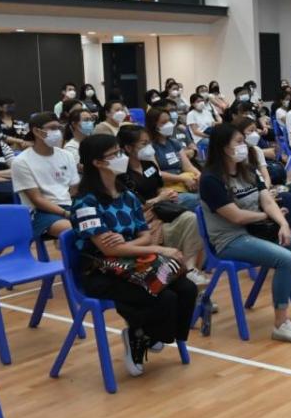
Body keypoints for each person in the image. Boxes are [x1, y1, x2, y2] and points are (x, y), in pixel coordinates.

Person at [71, 134, 198, 377]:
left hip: (135, 262)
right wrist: (157, 249)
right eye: (114, 154)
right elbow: (109, 250)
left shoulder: (127, 195)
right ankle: (137, 335)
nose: (121, 158)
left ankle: (150, 335)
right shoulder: (85, 203)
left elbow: (145, 235)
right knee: (163, 296)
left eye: (120, 152)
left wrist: (129, 244)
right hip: (101, 271)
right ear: (97, 162)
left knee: (187, 289)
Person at [199, 123, 291, 344]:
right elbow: (236, 217)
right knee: (285, 259)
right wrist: (266, 216)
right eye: (239, 142)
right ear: (223, 147)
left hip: (258, 231)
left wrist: (283, 224)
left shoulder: (247, 169)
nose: (244, 146)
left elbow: (267, 200)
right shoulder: (210, 180)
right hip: (230, 239)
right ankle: (281, 324)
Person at [116, 124, 206, 284]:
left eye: (149, 142)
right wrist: (159, 199)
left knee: (191, 218)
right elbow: (133, 207)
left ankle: (190, 268)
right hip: (143, 219)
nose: (149, 147)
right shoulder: (121, 174)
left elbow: (158, 188)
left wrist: (167, 193)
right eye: (144, 144)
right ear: (128, 148)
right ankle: (172, 272)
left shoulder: (149, 165)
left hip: (162, 211)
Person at [12, 111, 80, 242]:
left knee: (100, 224)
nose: (58, 132)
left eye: (59, 128)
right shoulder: (21, 161)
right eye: (52, 128)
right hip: (40, 212)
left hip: (68, 205)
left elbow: (74, 190)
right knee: (77, 230)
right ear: (36, 131)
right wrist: (66, 213)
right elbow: (37, 200)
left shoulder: (67, 155)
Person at [145, 108, 200, 205]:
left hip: (185, 182)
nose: (169, 124)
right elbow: (158, 174)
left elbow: (188, 166)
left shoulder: (174, 142)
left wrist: (199, 175)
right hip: (168, 189)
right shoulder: (149, 147)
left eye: (169, 120)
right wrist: (183, 179)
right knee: (198, 199)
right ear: (154, 126)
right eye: (164, 122)